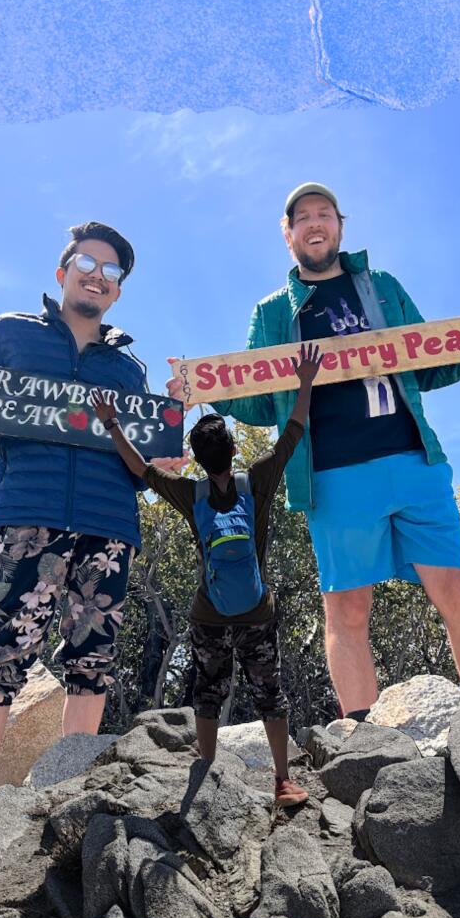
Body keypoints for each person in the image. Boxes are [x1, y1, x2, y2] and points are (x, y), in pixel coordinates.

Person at [167, 183, 460, 721]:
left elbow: (429, 359)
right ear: (287, 234)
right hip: (331, 474)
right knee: (346, 605)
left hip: (414, 462)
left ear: (341, 225)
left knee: (456, 587)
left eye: (324, 215)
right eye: (302, 218)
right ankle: (364, 747)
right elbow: (261, 403)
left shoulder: (380, 286)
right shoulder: (271, 312)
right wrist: (203, 390)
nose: (314, 225)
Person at [0, 221, 170, 833]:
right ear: (62, 270)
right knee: (2, 654)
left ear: (118, 291)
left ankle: (68, 800)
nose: (99, 275)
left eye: (112, 271)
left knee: (92, 660)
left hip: (110, 523)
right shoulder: (9, 334)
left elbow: (140, 462)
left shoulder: (129, 368)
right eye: (88, 263)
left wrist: (164, 461)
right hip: (27, 518)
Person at [89, 342, 323, 805]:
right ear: (234, 450)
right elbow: (293, 433)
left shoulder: (188, 494)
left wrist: (112, 423)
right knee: (270, 694)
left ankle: (207, 774)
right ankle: (282, 782)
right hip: (257, 611)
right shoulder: (256, 481)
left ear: (196, 458)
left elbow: (139, 468)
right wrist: (305, 382)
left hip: (208, 614)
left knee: (208, 692)